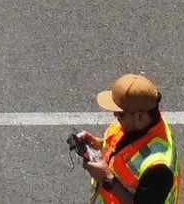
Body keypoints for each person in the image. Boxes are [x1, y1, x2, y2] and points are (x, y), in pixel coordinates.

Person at [73, 72, 178, 204]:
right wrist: (98, 144)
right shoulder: (143, 124)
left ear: (140, 116)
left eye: (120, 113)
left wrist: (107, 178)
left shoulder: (159, 170)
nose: (115, 115)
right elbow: (123, 148)